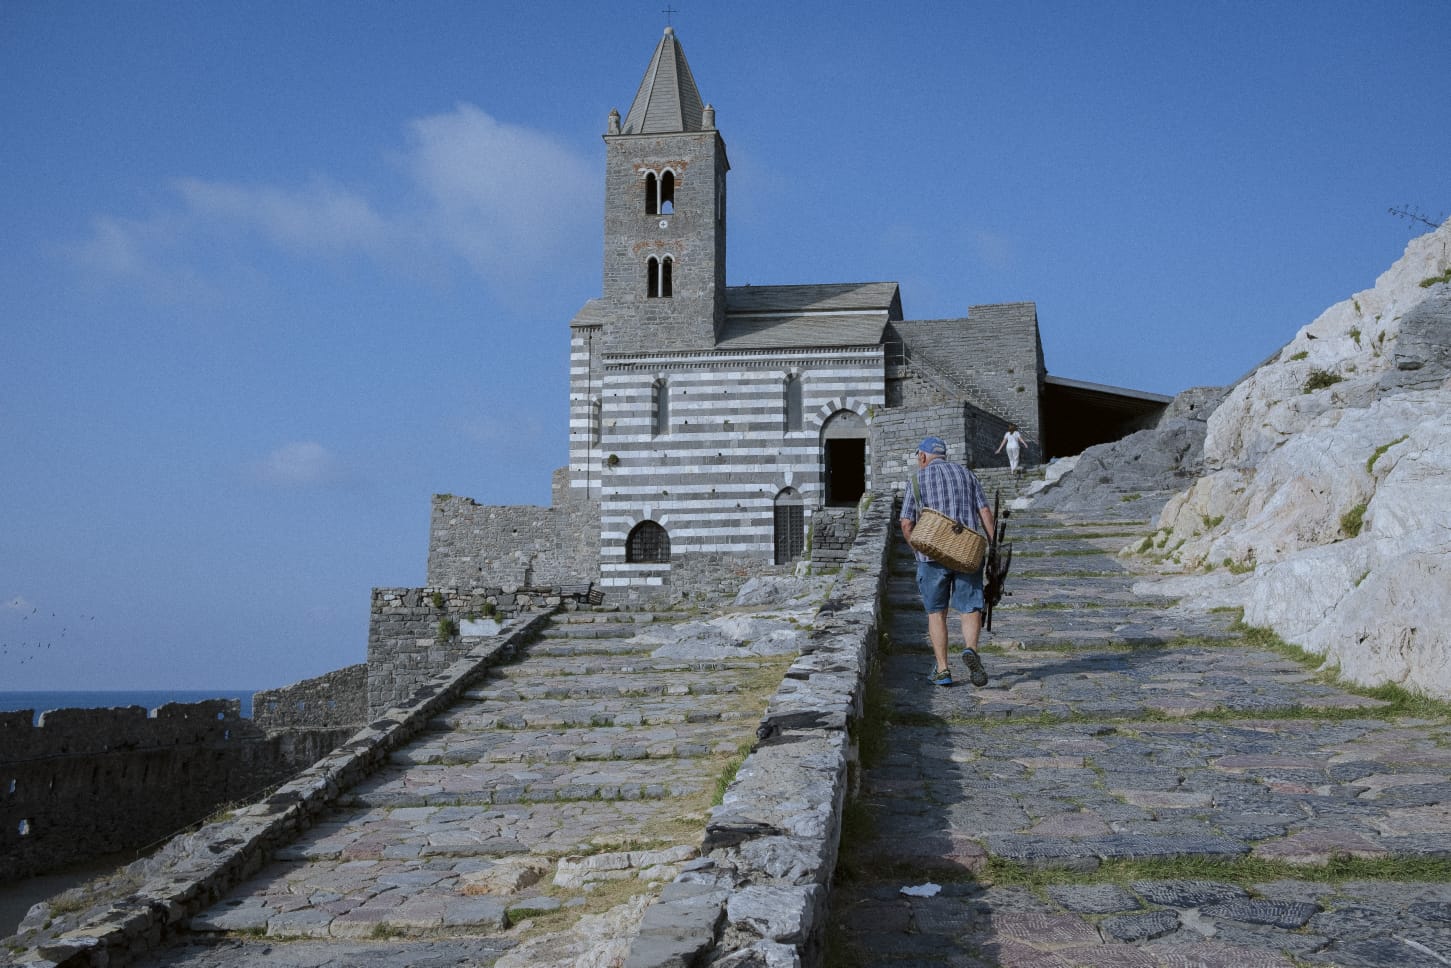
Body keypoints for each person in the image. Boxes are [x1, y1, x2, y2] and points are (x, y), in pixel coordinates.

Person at [900, 436, 996, 687]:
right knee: (969, 606)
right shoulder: (967, 475)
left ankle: (943, 670)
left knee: (936, 612)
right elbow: (984, 511)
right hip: (966, 554)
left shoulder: (916, 479)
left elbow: (906, 523)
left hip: (930, 557)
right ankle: (970, 649)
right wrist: (993, 544)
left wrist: (917, 550)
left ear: (922, 456)